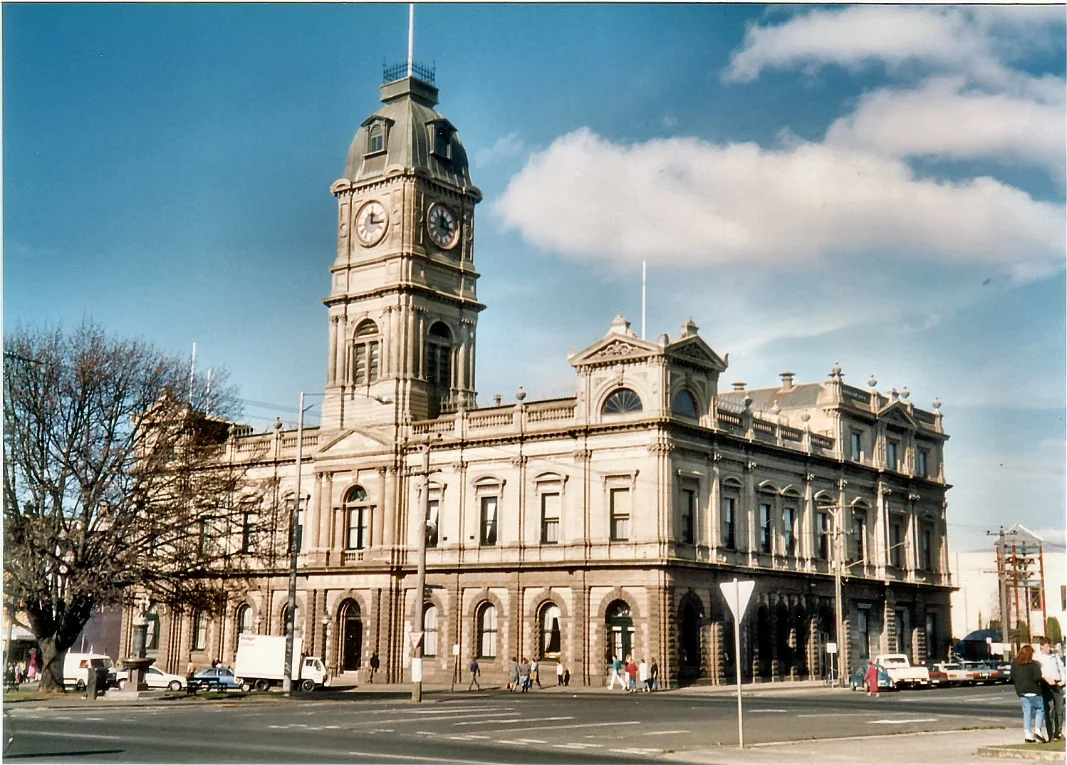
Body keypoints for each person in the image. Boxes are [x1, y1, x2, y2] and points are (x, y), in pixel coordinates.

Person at [1012, 644, 1047, 743]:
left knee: (1027, 712)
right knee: (1040, 708)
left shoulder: (1015, 664)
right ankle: (1037, 731)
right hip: (1033, 690)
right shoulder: (1033, 664)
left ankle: (1027, 734)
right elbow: (1037, 677)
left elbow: (1012, 676)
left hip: (1022, 692)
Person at [1035, 637, 1065, 741]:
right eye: (1047, 646)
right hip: (1045, 683)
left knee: (1059, 709)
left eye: (1049, 646)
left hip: (1057, 683)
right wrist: (1045, 678)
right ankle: (1051, 734)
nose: (1049, 648)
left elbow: (1061, 667)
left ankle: (1059, 732)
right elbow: (1037, 671)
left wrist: (1063, 680)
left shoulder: (1055, 655)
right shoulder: (1038, 657)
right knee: (1049, 709)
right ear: (1042, 646)